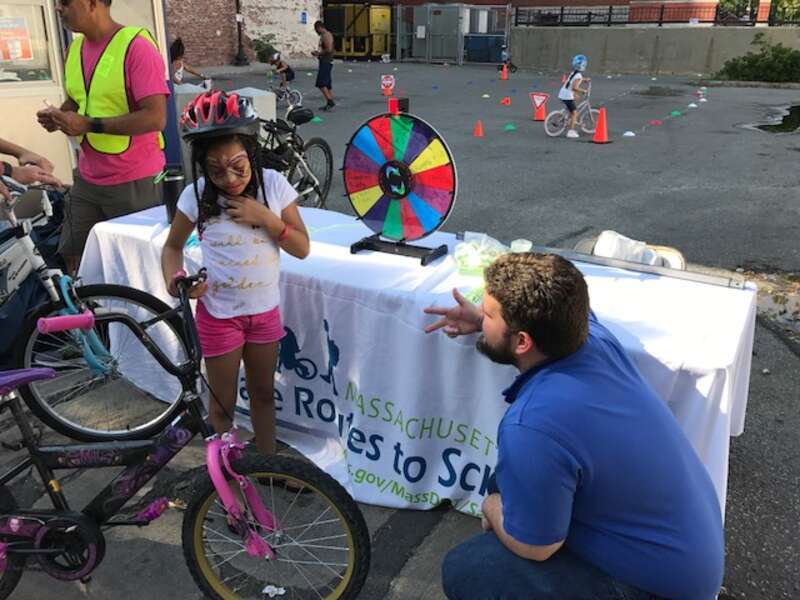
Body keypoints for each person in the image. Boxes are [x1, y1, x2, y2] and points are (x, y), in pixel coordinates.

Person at [425, 252, 725, 600]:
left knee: (471, 568)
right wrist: (483, 322)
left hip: (660, 588)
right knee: (510, 478)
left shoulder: (532, 425)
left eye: (488, 314)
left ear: (522, 341)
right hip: (688, 550)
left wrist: (491, 505)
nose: (482, 316)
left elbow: (536, 547)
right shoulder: (591, 337)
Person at [161, 90, 310, 455]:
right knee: (222, 405)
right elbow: (172, 247)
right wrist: (177, 281)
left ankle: (268, 465)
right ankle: (228, 485)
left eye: (238, 167)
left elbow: (302, 248)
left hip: (263, 314)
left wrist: (266, 219)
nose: (228, 179)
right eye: (215, 170)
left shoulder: (274, 186)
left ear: (252, 153)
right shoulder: (196, 196)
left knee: (262, 394)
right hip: (219, 316)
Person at [36, 0, 169, 274]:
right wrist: (59, 116)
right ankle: (89, 315)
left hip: (135, 180)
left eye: (65, 2)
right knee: (73, 257)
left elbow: (156, 118)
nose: (59, 9)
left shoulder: (136, 47)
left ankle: (133, 316)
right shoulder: (74, 49)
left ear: (93, 3)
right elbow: (78, 98)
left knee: (136, 268)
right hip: (87, 179)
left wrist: (87, 125)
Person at [558, 54, 591, 139]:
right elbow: (575, 87)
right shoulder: (578, 75)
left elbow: (575, 79)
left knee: (575, 98)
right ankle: (571, 131)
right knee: (575, 113)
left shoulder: (574, 72)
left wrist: (584, 79)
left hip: (563, 92)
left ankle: (565, 114)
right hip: (567, 95)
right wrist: (584, 91)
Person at [312, 21, 335, 111]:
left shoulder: (326, 35)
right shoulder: (325, 35)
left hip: (326, 61)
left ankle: (330, 101)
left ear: (319, 27)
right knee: (327, 83)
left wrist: (319, 53)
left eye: (316, 29)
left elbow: (329, 49)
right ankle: (329, 101)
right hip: (325, 60)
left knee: (321, 83)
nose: (316, 32)